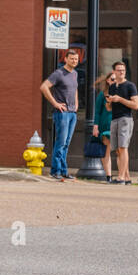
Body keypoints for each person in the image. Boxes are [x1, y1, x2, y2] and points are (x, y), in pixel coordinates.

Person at [39, 49, 80, 181]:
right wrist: (55, 103)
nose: (74, 61)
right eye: (72, 59)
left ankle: (63, 171)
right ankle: (55, 171)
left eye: (76, 59)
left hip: (72, 113)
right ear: (66, 59)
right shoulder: (59, 73)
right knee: (61, 142)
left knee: (66, 143)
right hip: (62, 113)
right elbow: (44, 87)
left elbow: (75, 90)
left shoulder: (75, 73)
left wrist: (76, 104)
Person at [105, 60, 138, 184]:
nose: (121, 72)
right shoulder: (112, 87)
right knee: (118, 150)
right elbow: (109, 108)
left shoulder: (130, 86)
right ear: (114, 72)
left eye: (123, 70)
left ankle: (121, 178)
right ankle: (127, 178)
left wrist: (120, 99)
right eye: (119, 70)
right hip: (114, 119)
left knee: (123, 147)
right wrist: (109, 102)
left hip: (126, 119)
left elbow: (136, 105)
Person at [92, 71, 114, 169]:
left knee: (120, 151)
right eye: (112, 79)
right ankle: (108, 175)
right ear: (108, 81)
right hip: (105, 125)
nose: (114, 81)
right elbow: (97, 112)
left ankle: (124, 176)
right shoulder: (102, 94)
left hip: (117, 125)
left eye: (115, 79)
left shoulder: (121, 94)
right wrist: (95, 127)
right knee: (107, 150)